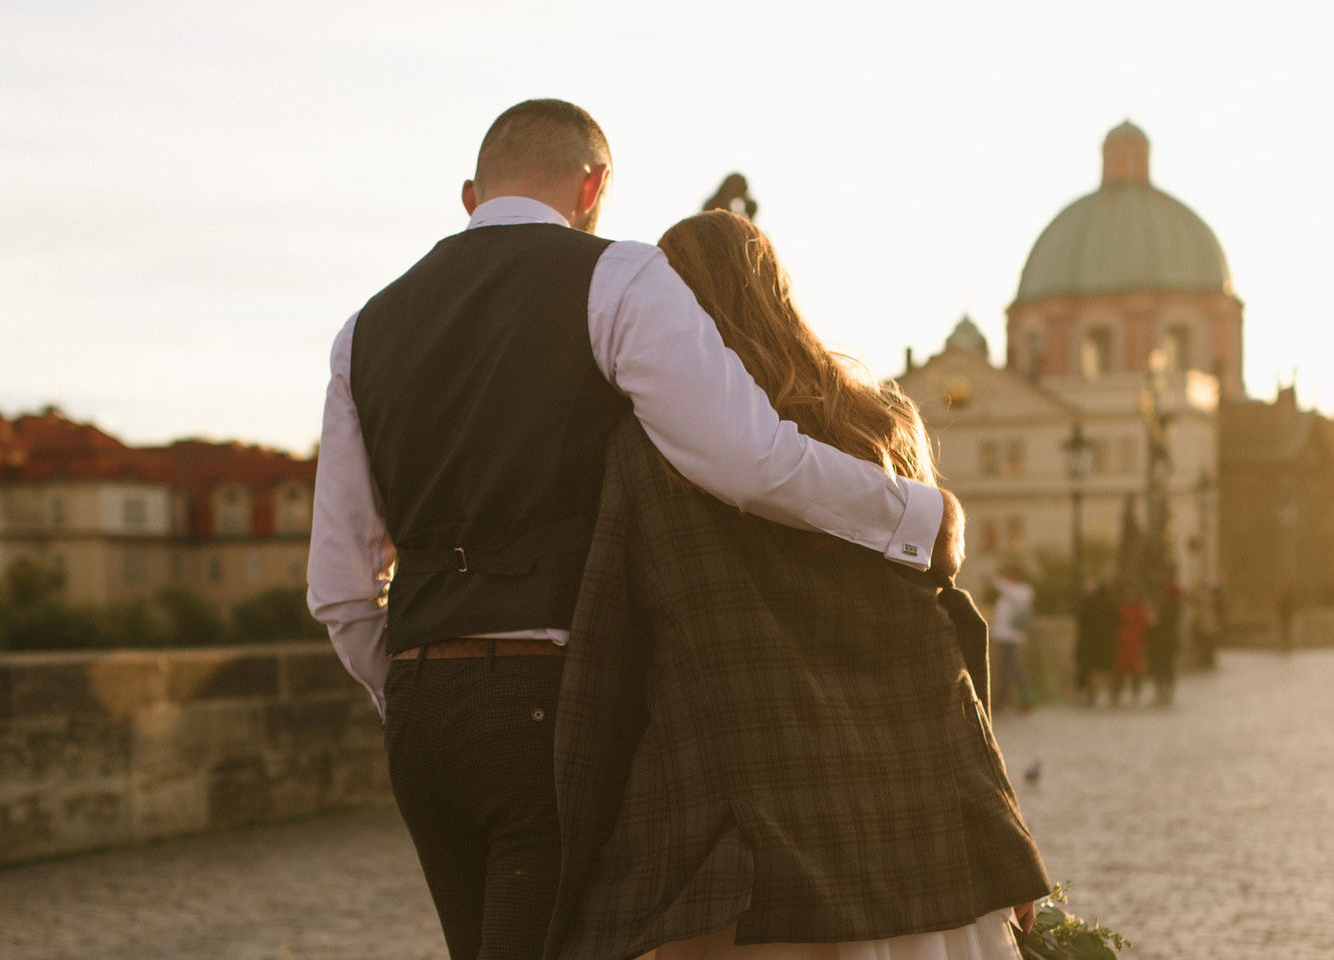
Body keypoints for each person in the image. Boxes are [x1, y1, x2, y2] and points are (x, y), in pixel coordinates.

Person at [306, 101, 966, 960]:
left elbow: (339, 588)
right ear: (596, 185)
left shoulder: (364, 330)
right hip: (551, 701)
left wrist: (409, 691)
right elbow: (747, 460)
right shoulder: (617, 277)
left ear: (471, 195)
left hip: (423, 717)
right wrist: (916, 514)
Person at [549, 208, 1045, 960]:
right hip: (913, 829)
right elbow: (937, 657)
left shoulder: (641, 453)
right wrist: (1001, 829)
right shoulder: (878, 429)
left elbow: (608, 655)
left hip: (745, 838)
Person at [988, 568, 1036, 712]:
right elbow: (1000, 618)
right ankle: (1025, 698)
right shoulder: (1006, 596)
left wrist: (995, 580)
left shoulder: (1023, 591)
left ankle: (1006, 702)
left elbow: (1010, 593)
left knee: (1009, 670)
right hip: (1003, 637)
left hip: (1013, 638)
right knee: (1013, 669)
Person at [1074, 581, 1119, 707]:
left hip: (1092, 643)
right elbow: (1119, 621)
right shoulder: (1111, 604)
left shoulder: (1091, 604)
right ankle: (1113, 694)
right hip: (1108, 643)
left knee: (1090, 669)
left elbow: (1082, 621)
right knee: (1109, 669)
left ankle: (1090, 694)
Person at [1144, 580, 1182, 707]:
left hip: (1161, 643)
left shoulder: (1165, 607)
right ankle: (1167, 691)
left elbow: (1159, 625)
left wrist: (1151, 629)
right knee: (1168, 667)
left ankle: (1160, 691)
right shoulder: (1177, 608)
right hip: (1170, 642)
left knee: (1160, 667)